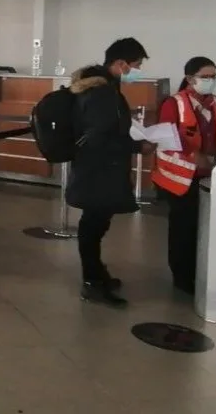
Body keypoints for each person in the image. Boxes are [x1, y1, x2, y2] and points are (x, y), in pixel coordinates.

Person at [66, 37, 154, 308]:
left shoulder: (101, 87)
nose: (137, 71)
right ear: (120, 63)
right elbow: (100, 136)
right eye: (136, 65)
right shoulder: (102, 92)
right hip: (99, 170)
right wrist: (138, 146)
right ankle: (92, 282)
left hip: (98, 168)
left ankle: (97, 274)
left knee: (96, 225)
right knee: (92, 226)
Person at [153, 57, 216, 295]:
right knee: (183, 229)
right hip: (179, 178)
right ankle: (182, 277)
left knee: (202, 228)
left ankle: (200, 273)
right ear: (189, 78)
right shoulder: (173, 103)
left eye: (213, 77)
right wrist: (192, 155)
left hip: (208, 176)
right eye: (205, 77)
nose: (210, 81)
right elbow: (166, 138)